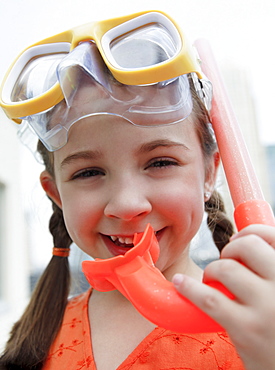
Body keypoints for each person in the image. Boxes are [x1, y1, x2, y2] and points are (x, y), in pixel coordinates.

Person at [0, 10, 274, 370]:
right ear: (55, 194)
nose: (127, 204)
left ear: (209, 173)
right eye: (89, 172)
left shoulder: (255, 327)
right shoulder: (37, 340)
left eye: (160, 163)